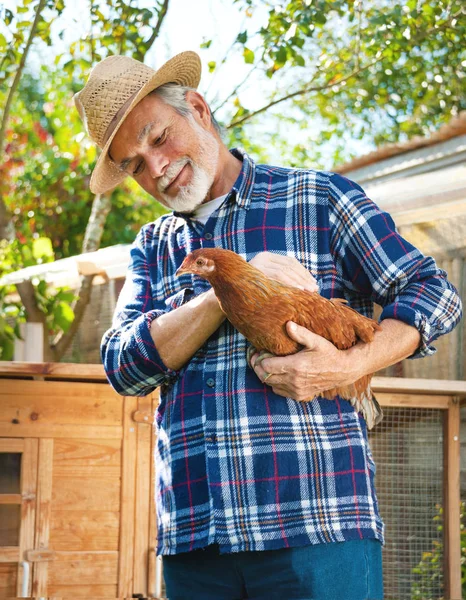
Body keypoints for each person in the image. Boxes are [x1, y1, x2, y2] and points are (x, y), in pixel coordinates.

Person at [75, 52, 462, 600]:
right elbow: (123, 365)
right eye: (134, 164)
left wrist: (348, 365)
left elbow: (433, 292)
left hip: (316, 525)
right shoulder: (154, 248)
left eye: (157, 138)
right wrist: (229, 286)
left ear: (199, 110)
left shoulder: (318, 198)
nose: (155, 168)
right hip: (196, 542)